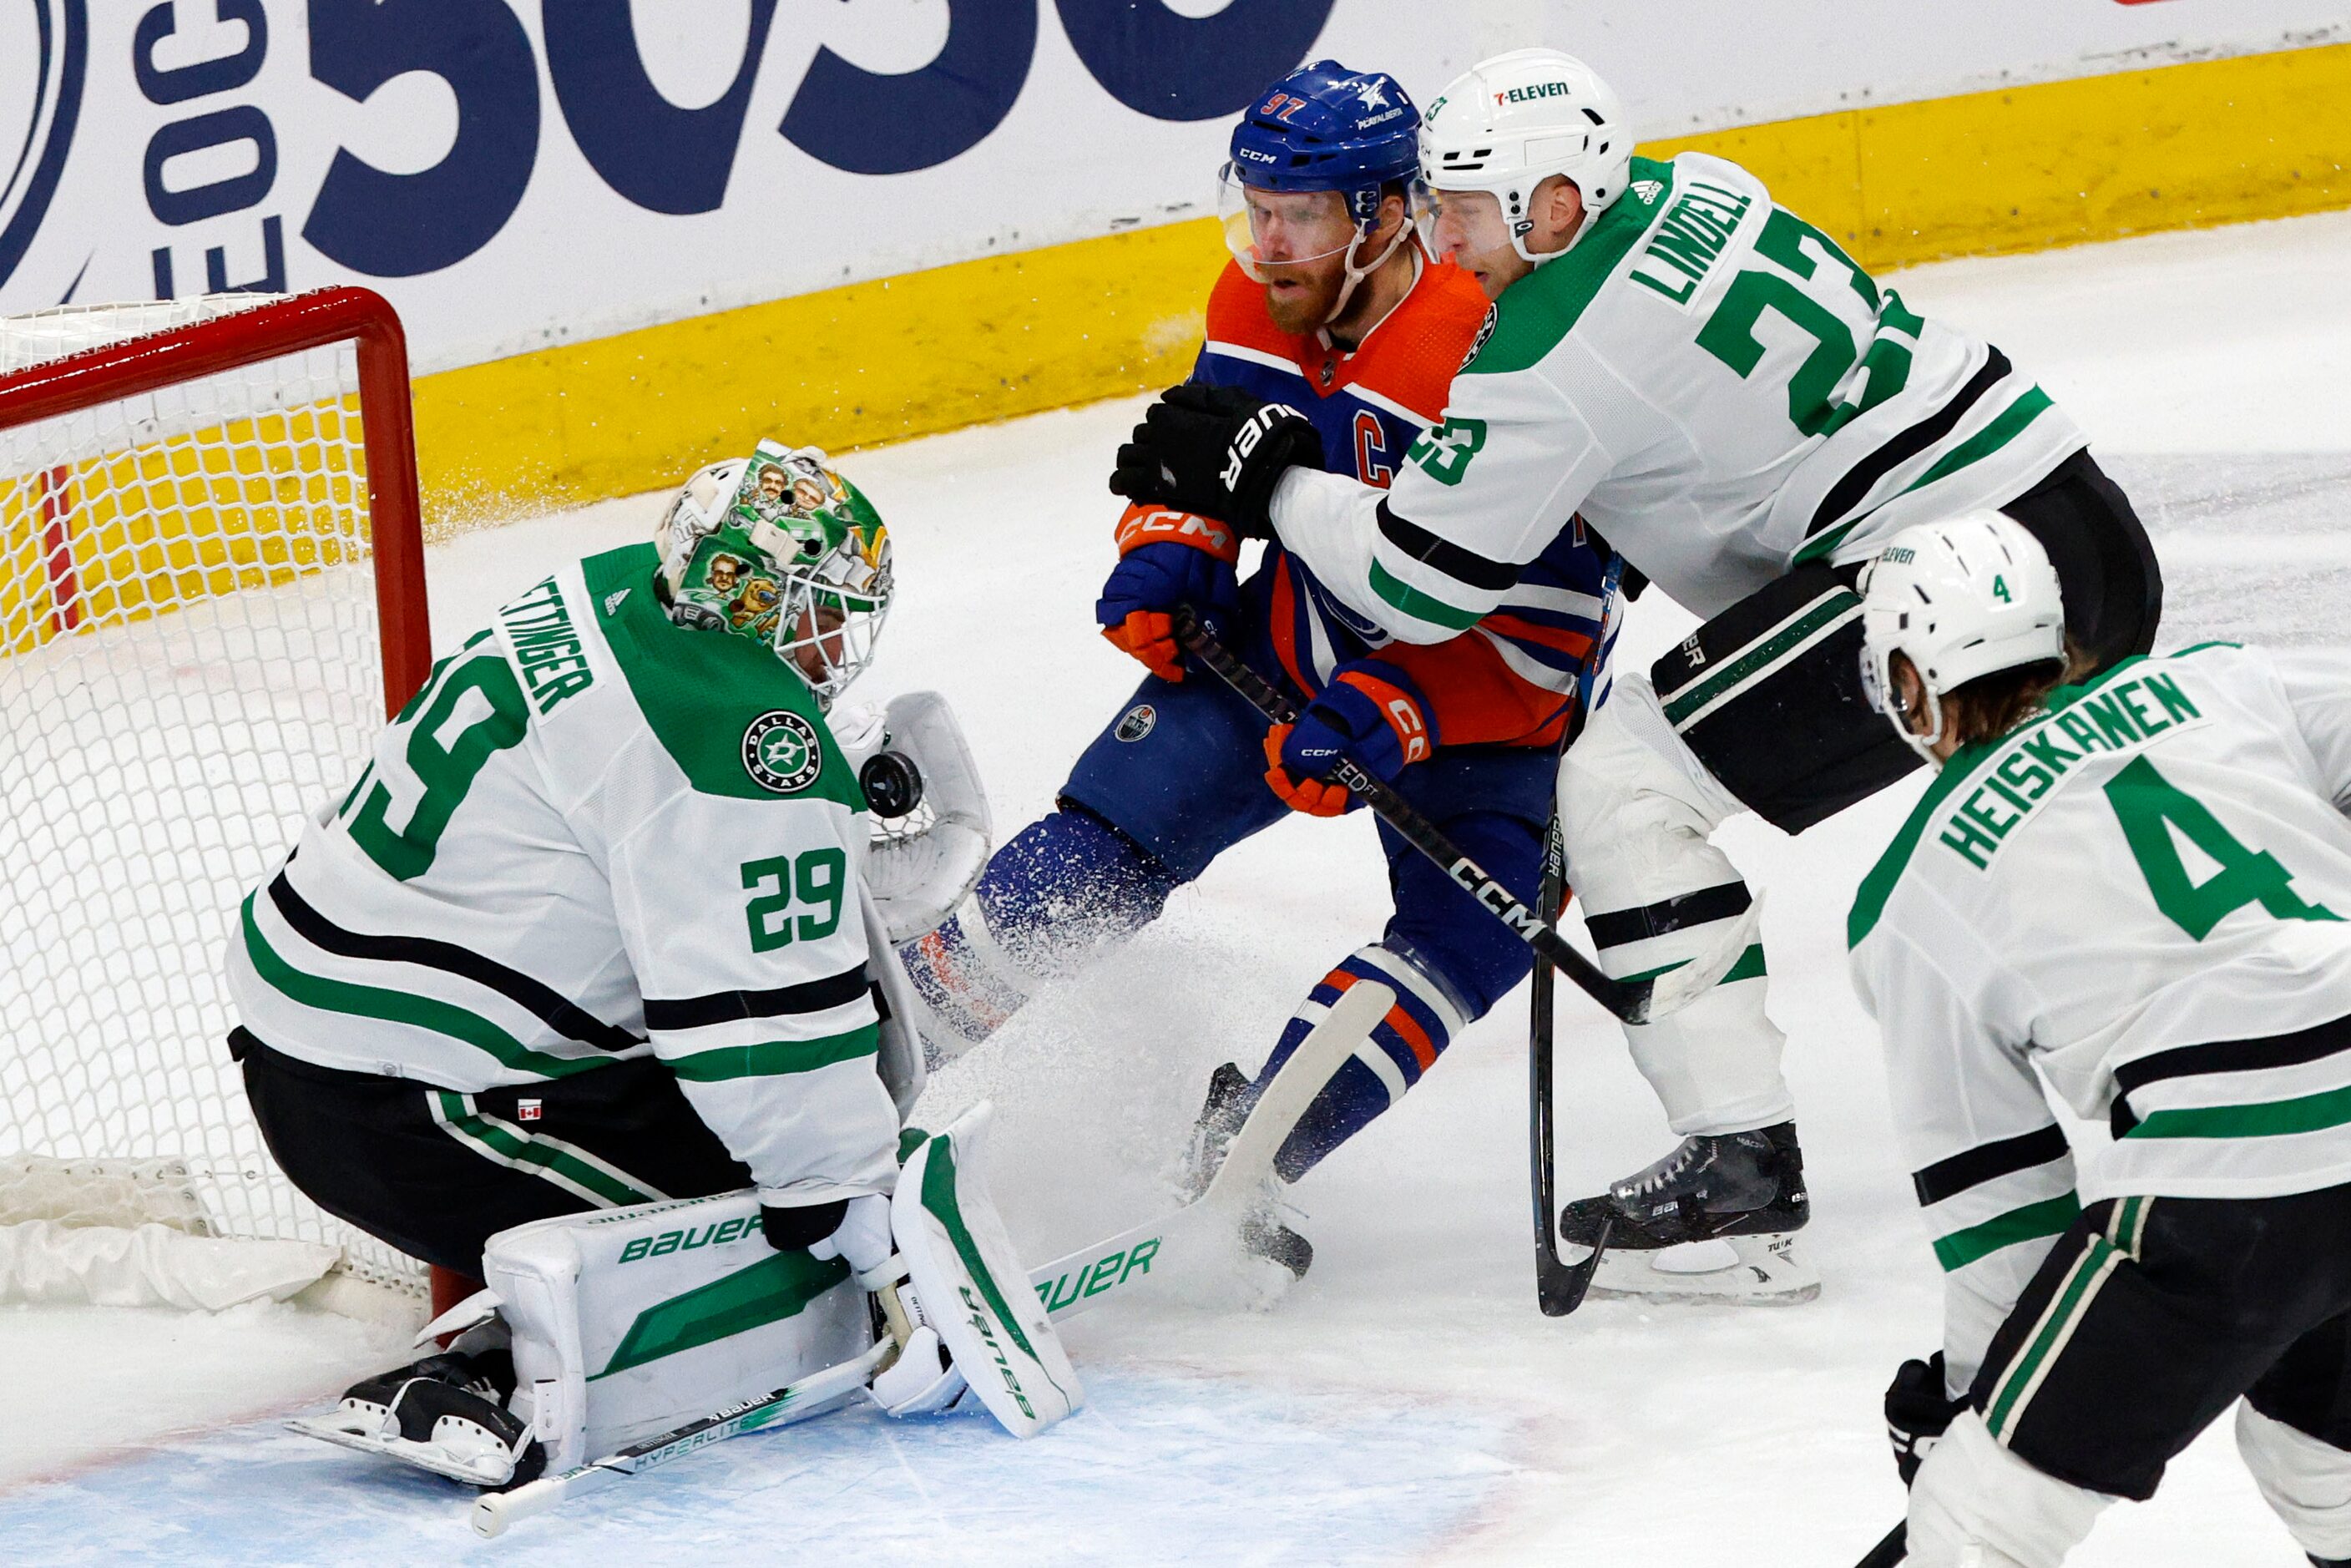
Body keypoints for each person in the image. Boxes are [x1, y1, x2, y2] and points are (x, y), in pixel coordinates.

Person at [1108, 46, 2162, 1300]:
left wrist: (1272, 481)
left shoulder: (1549, 354)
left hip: (1932, 572)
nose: (1444, 244)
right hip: (2078, 524)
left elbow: (1417, 582)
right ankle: (2219, 1055)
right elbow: (1707, 435)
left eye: (1461, 210)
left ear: (1554, 205)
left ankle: (1739, 1172)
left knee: (1617, 787)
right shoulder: (1696, 187)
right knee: (2055, 814)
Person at [900, 59, 1620, 1273]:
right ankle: (880, 1054)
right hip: (1285, 642)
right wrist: (1170, 552)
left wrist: (1401, 705)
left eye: (1298, 215)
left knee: (1471, 936)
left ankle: (1243, 1155)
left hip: (1484, 703)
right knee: (1098, 851)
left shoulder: (1493, 351)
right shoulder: (1259, 292)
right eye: (1255, 205)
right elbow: (1205, 448)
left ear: (1386, 218)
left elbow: (1558, 617)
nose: (1265, 241)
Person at [233, 442, 1000, 1483]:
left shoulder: (605, 586)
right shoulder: (732, 745)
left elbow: (626, 794)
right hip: (418, 1115)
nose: (830, 642)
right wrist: (866, 1233)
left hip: (313, 1034)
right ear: (756, 601)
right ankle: (493, 1368)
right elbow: (759, 1039)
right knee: (771, 1205)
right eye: (815, 610)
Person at [1848, 513, 2351, 1567]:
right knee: (2322, 1451)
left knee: (1977, 1525)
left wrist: (1969, 1414)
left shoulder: (1913, 895)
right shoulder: (2222, 680)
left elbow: (2001, 1211)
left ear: (1905, 682)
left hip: (2231, 1185)